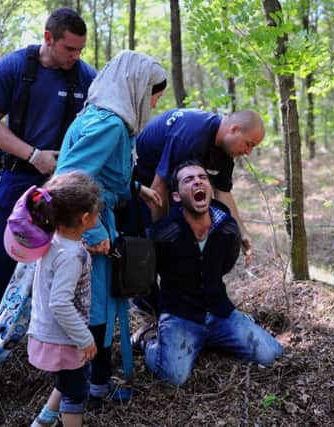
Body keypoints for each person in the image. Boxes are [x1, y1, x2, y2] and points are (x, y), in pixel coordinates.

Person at [55, 50, 166, 405]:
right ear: (135, 87)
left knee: (94, 305)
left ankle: (92, 383)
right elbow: (69, 179)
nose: (154, 102)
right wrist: (94, 232)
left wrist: (136, 187)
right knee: (94, 308)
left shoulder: (94, 116)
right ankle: (89, 388)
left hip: (87, 220)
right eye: (153, 93)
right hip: (88, 225)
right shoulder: (110, 124)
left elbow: (102, 172)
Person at [0, 7, 97, 315]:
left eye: (80, 49)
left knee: (63, 257)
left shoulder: (87, 77)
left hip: (66, 186)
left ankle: (48, 326)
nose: (75, 56)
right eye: (69, 48)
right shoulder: (15, 67)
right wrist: (33, 155)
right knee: (0, 255)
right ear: (48, 38)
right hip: (20, 175)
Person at [132, 160, 283, 386]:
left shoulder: (226, 227)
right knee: (172, 377)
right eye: (188, 180)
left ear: (210, 190)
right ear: (176, 196)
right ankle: (149, 339)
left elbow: (226, 264)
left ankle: (211, 337)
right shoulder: (163, 233)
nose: (197, 182)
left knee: (271, 354)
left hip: (220, 313)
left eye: (202, 178)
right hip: (180, 316)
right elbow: (145, 282)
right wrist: (160, 310)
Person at [17, 171, 102, 427]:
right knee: (76, 393)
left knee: (68, 379)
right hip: (64, 338)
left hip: (49, 334)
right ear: (86, 218)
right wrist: (84, 338)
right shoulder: (71, 256)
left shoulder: (54, 241)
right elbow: (60, 303)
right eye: (97, 212)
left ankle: (44, 420)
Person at [132, 108, 266, 265]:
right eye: (249, 144)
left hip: (167, 190)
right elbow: (158, 188)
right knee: (144, 261)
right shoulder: (191, 137)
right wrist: (163, 238)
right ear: (234, 129)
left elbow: (223, 193)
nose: (249, 152)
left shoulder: (225, 151)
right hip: (139, 187)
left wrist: (242, 232)